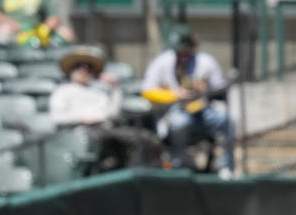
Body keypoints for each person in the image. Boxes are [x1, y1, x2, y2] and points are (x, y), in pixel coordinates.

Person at [141, 25, 235, 179]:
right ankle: (180, 165)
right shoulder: (163, 61)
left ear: (191, 46)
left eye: (183, 49)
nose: (180, 54)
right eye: (177, 50)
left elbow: (221, 91)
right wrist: (175, 95)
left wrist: (206, 90)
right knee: (180, 123)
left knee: (228, 121)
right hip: (174, 112)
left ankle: (226, 168)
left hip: (203, 110)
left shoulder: (205, 61)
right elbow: (146, 90)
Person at [50, 47, 163, 173]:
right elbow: (57, 117)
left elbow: (113, 113)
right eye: (79, 66)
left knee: (144, 137)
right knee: (105, 142)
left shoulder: (99, 91)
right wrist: (82, 118)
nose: (84, 70)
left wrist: (115, 88)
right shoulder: (62, 91)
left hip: (107, 128)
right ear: (71, 70)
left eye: (88, 66)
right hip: (82, 130)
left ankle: (138, 174)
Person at [0, 0, 74, 45]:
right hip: (10, 30)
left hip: (35, 31)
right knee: (2, 31)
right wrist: (19, 26)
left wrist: (43, 28)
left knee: (66, 33)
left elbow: (54, 17)